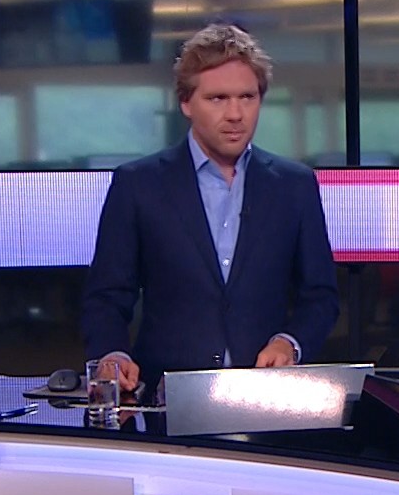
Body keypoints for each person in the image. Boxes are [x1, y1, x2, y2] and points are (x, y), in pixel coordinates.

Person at [82, 23, 340, 396]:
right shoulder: (138, 185)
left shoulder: (294, 186)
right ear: (186, 103)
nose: (235, 114)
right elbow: (107, 296)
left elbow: (320, 296)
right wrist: (113, 354)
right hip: (167, 399)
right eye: (218, 98)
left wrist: (290, 342)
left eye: (247, 97)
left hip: (266, 399)